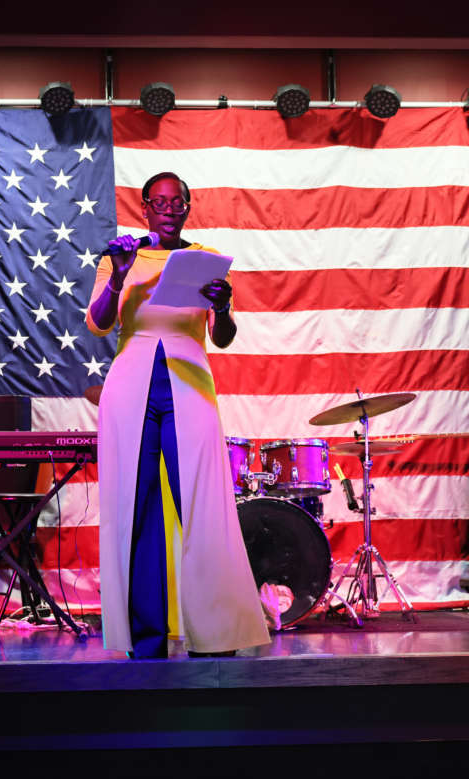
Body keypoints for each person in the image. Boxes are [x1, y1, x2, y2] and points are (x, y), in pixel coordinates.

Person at [85, 172, 271, 658]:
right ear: (145, 207)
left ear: (188, 207)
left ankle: (215, 636)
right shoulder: (118, 256)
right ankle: (144, 639)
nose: (169, 209)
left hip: (189, 380)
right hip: (131, 386)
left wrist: (225, 308)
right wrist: (122, 275)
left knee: (203, 505)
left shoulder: (206, 260)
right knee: (137, 506)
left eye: (177, 202)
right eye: (159, 202)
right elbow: (100, 323)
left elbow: (222, 336)